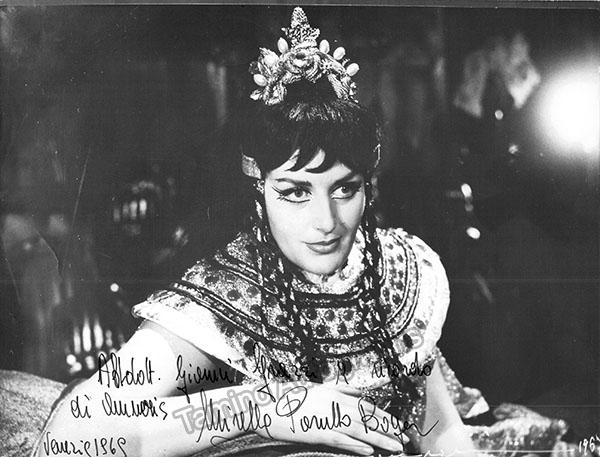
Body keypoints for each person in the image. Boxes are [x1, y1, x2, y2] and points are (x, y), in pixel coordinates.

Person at [31, 8, 569, 457]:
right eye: (294, 191)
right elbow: (71, 439)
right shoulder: (224, 299)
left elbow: (439, 430)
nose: (326, 222)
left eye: (345, 188)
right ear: (257, 187)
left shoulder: (395, 271)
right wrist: (266, 409)